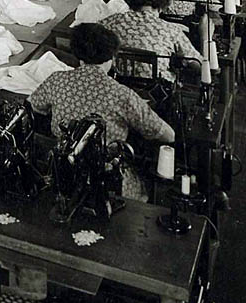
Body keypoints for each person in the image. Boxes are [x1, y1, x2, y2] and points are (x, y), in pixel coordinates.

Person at [29, 23, 174, 200]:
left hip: (62, 175)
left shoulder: (56, 80)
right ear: (112, 58)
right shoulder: (122, 94)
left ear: (77, 55)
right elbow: (168, 135)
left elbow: (34, 105)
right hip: (107, 181)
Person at [100, 0, 203, 81]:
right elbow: (197, 63)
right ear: (160, 8)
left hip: (117, 81)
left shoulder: (112, 20)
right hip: (156, 87)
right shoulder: (172, 29)